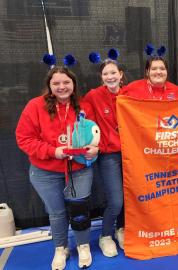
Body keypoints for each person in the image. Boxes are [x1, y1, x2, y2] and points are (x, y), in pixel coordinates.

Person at [16, 66, 99, 270]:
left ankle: (83, 245)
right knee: (57, 213)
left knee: (79, 210)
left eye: (66, 82)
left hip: (79, 169)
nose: (62, 87)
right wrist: (53, 151)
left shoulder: (85, 105)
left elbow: (96, 134)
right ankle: (61, 248)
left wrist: (95, 149)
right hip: (45, 172)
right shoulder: (35, 106)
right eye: (56, 83)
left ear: (73, 84)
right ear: (49, 86)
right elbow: (24, 139)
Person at [84, 59, 125, 257]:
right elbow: (86, 122)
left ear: (121, 74)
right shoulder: (93, 96)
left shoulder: (129, 94)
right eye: (106, 74)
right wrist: (94, 144)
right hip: (108, 155)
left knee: (131, 197)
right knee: (116, 200)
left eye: (113, 73)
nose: (110, 77)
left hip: (132, 153)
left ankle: (121, 229)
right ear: (101, 77)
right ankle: (105, 236)